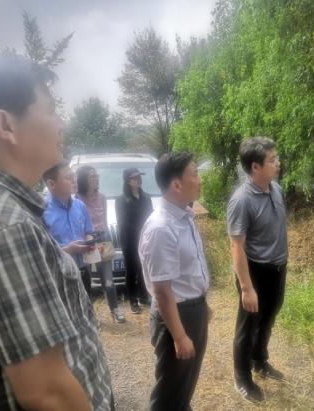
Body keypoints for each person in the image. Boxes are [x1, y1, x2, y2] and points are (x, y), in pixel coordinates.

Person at [0, 54, 113, 410]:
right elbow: (47, 392)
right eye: (51, 110)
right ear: (6, 125)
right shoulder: (5, 226)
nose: (62, 124)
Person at [140, 152, 211, 411]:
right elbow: (162, 291)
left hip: (192, 309)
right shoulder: (161, 228)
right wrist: (179, 336)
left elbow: (188, 271)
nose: (200, 180)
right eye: (195, 174)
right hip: (176, 315)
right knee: (168, 394)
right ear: (176, 185)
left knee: (184, 385)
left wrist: (202, 304)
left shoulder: (184, 216)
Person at [227, 136, 288, 403]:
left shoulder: (276, 190)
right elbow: (236, 246)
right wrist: (246, 287)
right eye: (272, 160)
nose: (277, 163)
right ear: (255, 167)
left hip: (278, 268)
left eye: (276, 158)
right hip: (254, 272)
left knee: (268, 317)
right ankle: (242, 377)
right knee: (248, 324)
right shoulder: (241, 200)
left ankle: (259, 361)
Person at [76, 165, 125, 323]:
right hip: (86, 241)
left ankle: (115, 309)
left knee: (108, 279)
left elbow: (104, 221)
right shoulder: (76, 199)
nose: (96, 178)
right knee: (87, 280)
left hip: (103, 237)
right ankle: (90, 315)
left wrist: (107, 241)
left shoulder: (102, 197)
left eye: (96, 175)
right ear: (83, 180)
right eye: (92, 176)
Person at [43, 160, 94, 295]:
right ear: (51, 184)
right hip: (58, 274)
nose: (74, 180)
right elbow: (42, 251)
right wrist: (69, 249)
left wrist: (90, 241)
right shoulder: (41, 211)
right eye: (68, 177)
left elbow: (88, 232)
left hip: (83, 270)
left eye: (74, 176)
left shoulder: (80, 205)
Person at [116, 167, 153, 314]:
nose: (138, 180)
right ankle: (133, 300)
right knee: (131, 270)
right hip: (130, 241)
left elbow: (151, 217)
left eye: (139, 177)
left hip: (145, 239)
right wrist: (141, 229)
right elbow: (123, 223)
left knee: (144, 268)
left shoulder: (147, 198)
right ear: (127, 181)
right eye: (134, 178)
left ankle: (144, 296)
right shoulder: (121, 200)